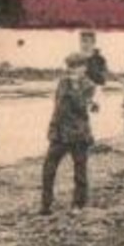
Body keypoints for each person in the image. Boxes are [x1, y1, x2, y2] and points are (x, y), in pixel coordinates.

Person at [40, 52, 95, 214]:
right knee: (48, 168)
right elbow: (58, 106)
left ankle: (78, 204)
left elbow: (81, 108)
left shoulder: (88, 85)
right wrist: (52, 127)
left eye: (75, 67)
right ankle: (46, 203)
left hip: (78, 133)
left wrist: (76, 87)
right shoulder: (63, 82)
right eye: (69, 67)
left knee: (80, 170)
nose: (71, 71)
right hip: (59, 133)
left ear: (84, 68)